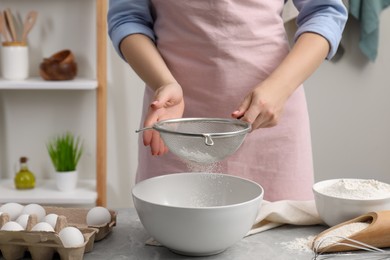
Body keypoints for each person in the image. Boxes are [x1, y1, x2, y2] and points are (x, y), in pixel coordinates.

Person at [108, 0, 348, 201]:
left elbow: (325, 10)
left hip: (270, 120)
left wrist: (280, 88)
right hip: (176, 126)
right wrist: (163, 82)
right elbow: (128, 18)